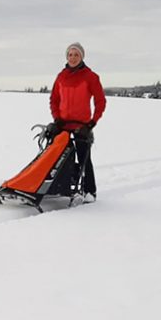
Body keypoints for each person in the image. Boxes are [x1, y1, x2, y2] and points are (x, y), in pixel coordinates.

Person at [49, 42, 105, 202]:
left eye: (76, 55)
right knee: (58, 158)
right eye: (70, 55)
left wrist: (92, 123)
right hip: (63, 125)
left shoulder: (90, 76)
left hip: (82, 127)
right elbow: (54, 99)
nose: (73, 58)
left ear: (81, 57)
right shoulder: (61, 76)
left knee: (84, 160)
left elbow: (100, 101)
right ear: (67, 57)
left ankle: (90, 191)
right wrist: (56, 119)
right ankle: (60, 187)